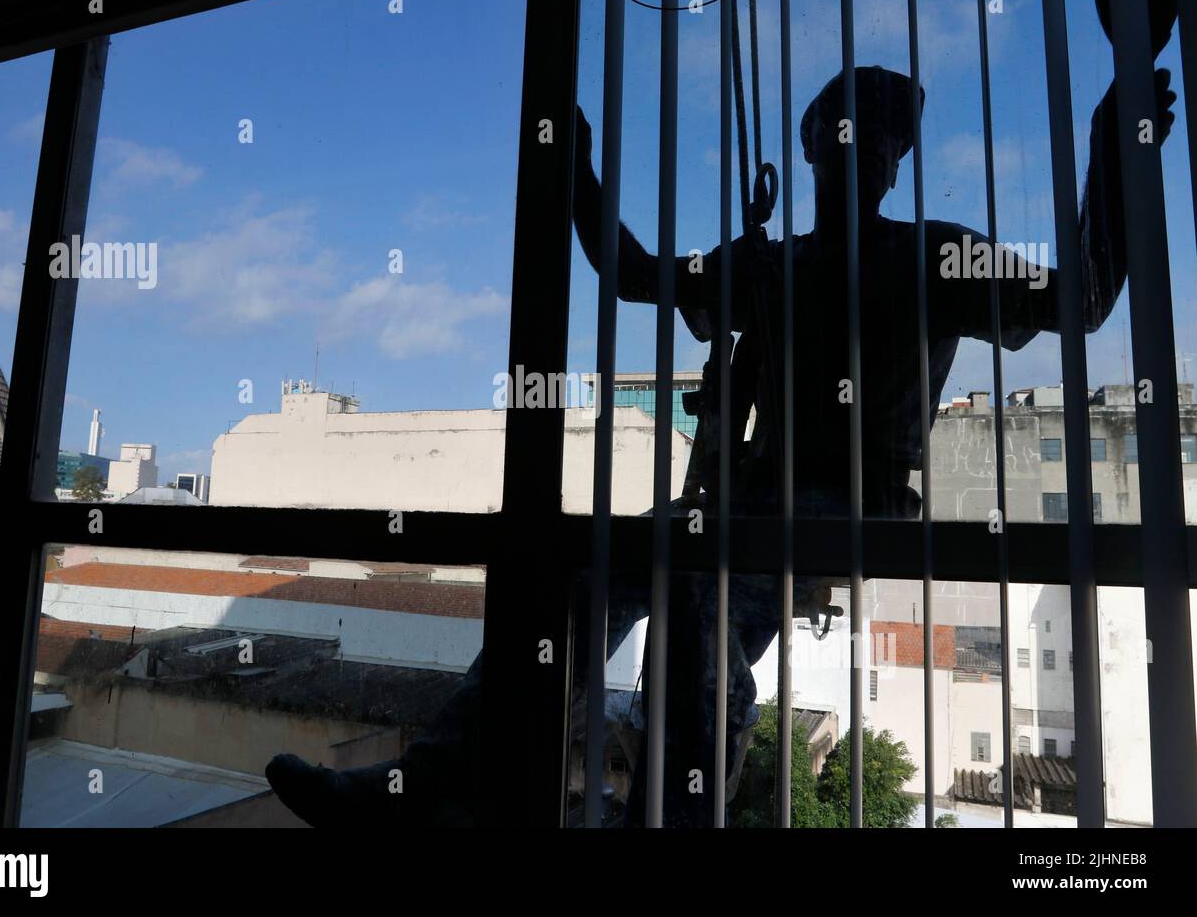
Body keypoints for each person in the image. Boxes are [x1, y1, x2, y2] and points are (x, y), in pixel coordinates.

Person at [265, 63, 1175, 827]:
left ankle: (669, 811)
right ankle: (435, 783)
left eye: (881, 137)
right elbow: (633, 275)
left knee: (699, 585)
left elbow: (1080, 301)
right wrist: (574, 172)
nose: (865, 147)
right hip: (755, 499)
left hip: (848, 508)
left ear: (894, 164)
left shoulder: (927, 258)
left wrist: (1111, 141)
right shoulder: (775, 266)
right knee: (586, 579)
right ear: (816, 144)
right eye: (850, 128)